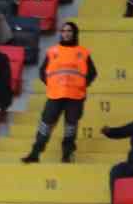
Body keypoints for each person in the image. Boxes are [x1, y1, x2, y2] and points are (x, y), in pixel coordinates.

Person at [22, 21, 95, 164]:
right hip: (55, 95)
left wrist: (81, 85)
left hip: (75, 97)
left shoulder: (83, 52)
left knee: (70, 128)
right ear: (61, 33)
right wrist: (51, 84)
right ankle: (35, 153)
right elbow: (43, 71)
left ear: (74, 33)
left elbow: (92, 73)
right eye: (63, 31)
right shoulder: (52, 51)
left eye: (69, 31)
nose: (66, 33)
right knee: (45, 124)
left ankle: (67, 155)